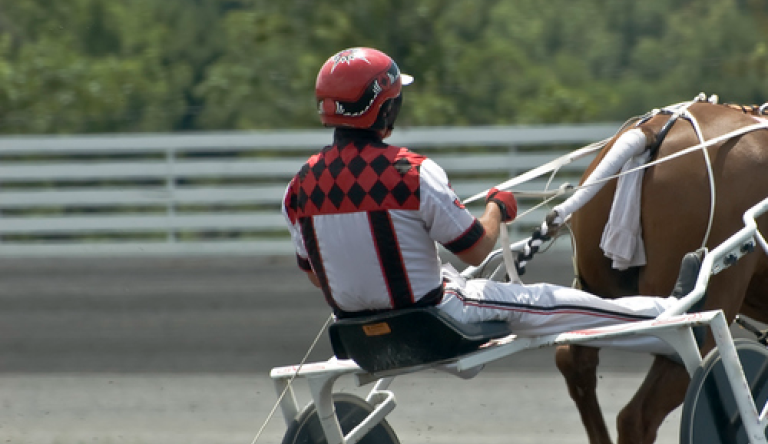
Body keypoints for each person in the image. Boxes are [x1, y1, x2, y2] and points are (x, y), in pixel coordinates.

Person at [281, 47, 704, 357]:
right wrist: (498, 208)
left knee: (469, 282)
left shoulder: (298, 187)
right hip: (435, 320)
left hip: (355, 338)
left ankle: (657, 329)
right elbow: (479, 248)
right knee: (546, 301)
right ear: (384, 109)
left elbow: (320, 277)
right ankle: (669, 315)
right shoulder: (412, 172)